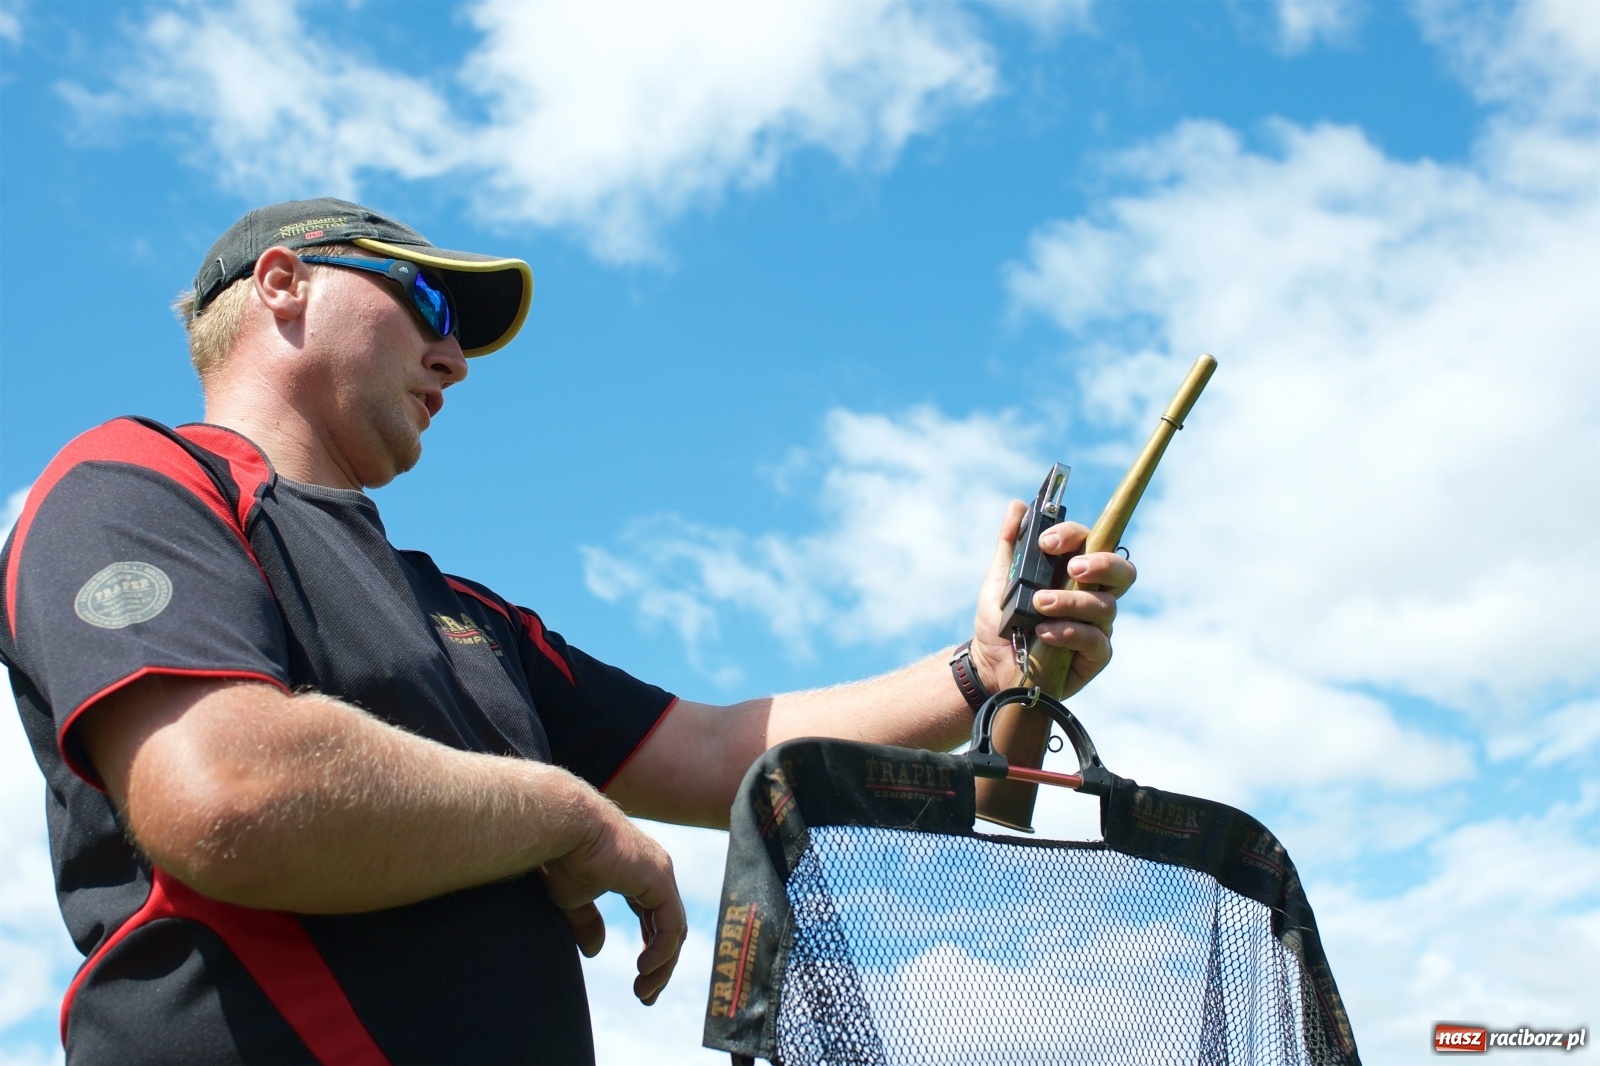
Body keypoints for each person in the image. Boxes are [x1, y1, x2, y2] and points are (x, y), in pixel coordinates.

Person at [0, 198, 1134, 1064]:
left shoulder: (470, 617)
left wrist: (981, 667)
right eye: (428, 309)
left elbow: (719, 746)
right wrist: (560, 809)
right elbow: (226, 793)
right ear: (286, 284)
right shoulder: (133, 482)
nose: (454, 360)